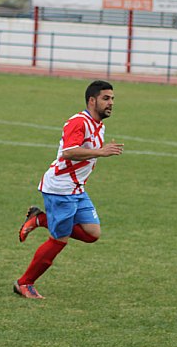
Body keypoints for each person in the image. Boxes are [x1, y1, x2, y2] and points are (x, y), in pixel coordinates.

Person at [13, 80, 124, 299]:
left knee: (92, 234)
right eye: (106, 98)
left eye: (112, 99)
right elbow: (68, 152)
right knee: (59, 241)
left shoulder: (99, 125)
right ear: (92, 100)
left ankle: (41, 219)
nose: (111, 103)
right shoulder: (79, 122)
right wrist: (101, 152)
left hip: (76, 189)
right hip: (60, 189)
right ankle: (24, 283)